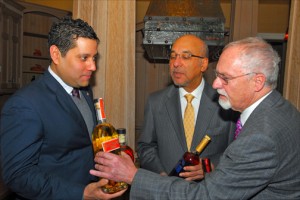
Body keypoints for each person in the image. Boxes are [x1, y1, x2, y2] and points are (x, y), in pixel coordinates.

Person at [92, 37, 300, 199]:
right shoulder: (281, 109)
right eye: (218, 76)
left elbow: (206, 195)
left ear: (257, 82)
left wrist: (133, 176)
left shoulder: (261, 136)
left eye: (225, 78)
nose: (216, 84)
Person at [0, 17, 125, 200]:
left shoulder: (85, 90)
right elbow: (18, 175)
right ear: (56, 54)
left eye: (94, 57)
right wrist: (81, 193)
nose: (93, 66)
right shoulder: (24, 105)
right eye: (84, 58)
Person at [137, 34, 237, 180]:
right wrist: (161, 177)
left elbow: (234, 151)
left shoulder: (225, 103)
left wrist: (209, 166)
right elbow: (146, 147)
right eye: (173, 56)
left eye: (186, 57)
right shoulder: (156, 102)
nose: (176, 63)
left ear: (203, 64)